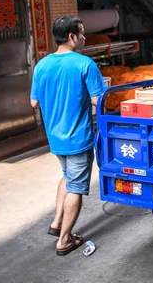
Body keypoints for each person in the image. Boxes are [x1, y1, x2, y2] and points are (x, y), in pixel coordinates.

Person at [30, 15, 108, 255]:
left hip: (55, 138)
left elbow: (34, 102)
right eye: (82, 33)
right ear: (72, 37)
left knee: (66, 176)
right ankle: (64, 240)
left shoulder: (42, 65)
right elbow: (99, 102)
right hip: (78, 137)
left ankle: (56, 223)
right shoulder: (85, 64)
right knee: (75, 186)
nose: (84, 37)